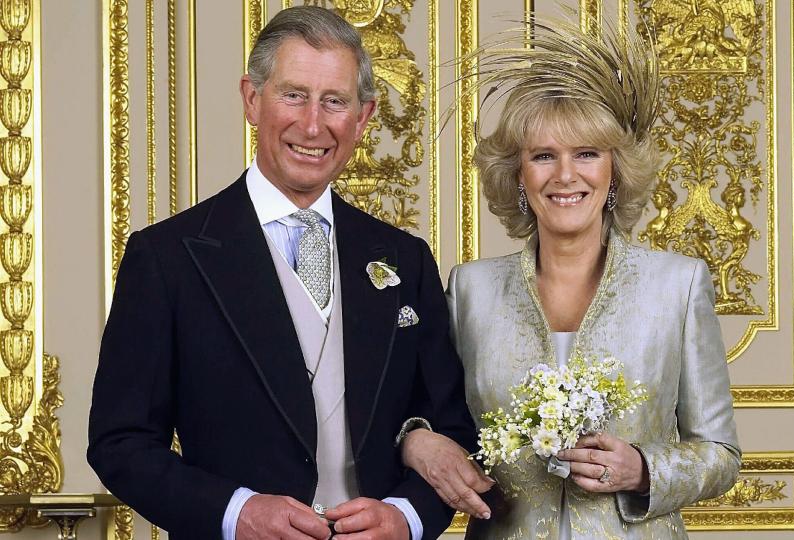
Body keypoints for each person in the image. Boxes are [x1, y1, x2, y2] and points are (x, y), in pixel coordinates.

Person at [87, 6, 476, 540]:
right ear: (252, 99)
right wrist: (237, 512)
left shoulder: (404, 260)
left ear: (362, 118)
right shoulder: (167, 258)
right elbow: (120, 442)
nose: (313, 124)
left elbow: (452, 428)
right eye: (293, 95)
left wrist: (405, 519)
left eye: (334, 102)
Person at [400, 14, 741, 539]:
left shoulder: (679, 285)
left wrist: (643, 469)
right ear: (518, 175)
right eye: (543, 156)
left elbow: (720, 454)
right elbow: (433, 420)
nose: (565, 176)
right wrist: (416, 439)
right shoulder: (471, 291)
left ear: (614, 170)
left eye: (586, 154)